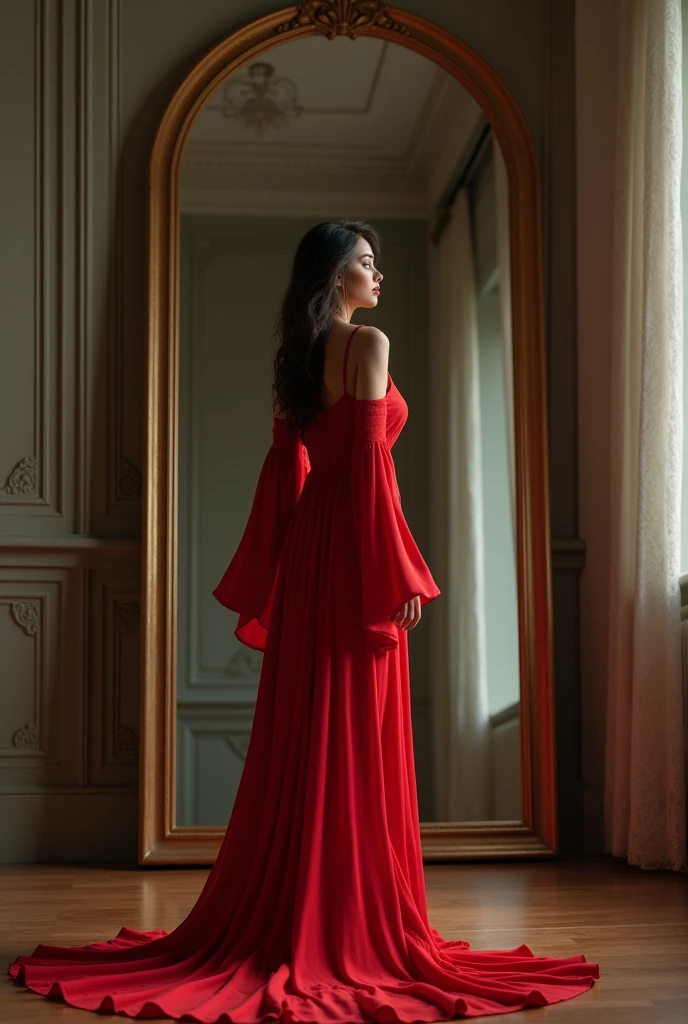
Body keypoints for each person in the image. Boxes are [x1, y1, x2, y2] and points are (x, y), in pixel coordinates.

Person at [9, 220, 599, 1021]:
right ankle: (349, 923)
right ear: (333, 275)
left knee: (318, 728)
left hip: (319, 552)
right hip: (353, 550)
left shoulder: (298, 360)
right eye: (364, 262)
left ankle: (305, 908)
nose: (378, 273)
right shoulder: (367, 344)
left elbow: (295, 472)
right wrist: (398, 569)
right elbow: (368, 468)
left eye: (378, 261)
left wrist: (285, 574)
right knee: (352, 728)